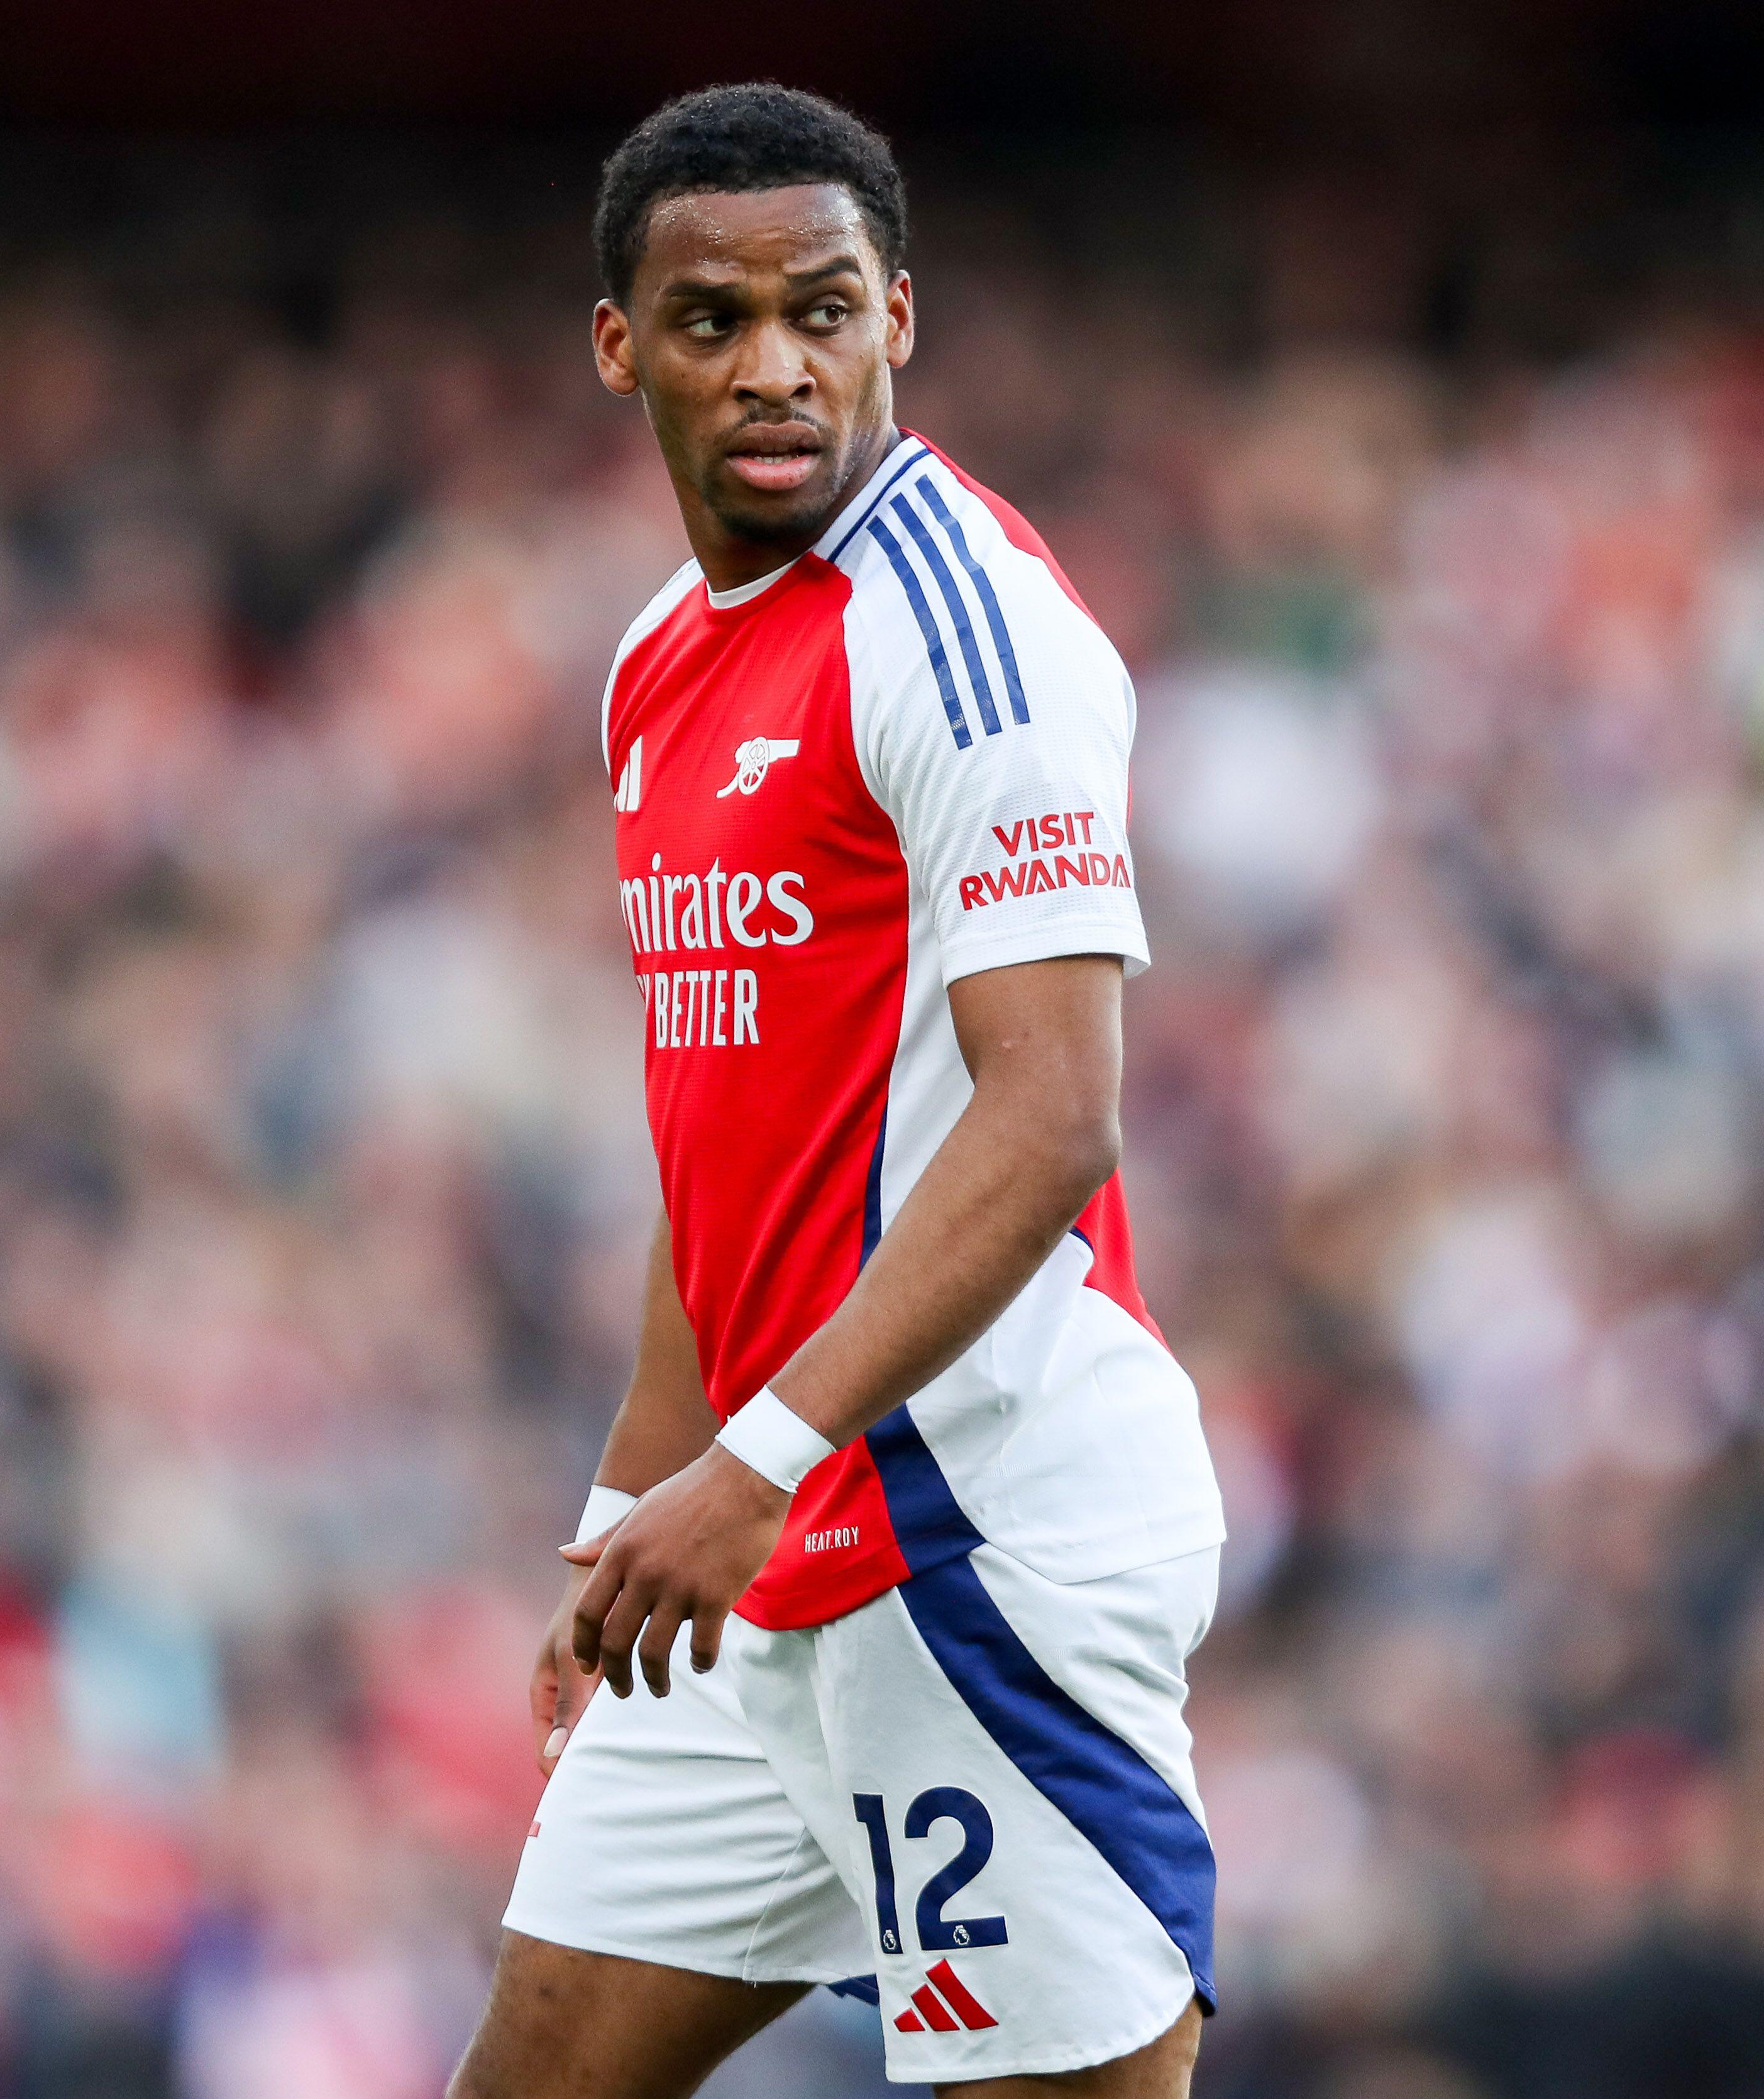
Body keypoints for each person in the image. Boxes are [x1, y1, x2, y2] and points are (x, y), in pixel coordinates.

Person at [449, 82, 1225, 2099]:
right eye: (713, 320)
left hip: (970, 1545)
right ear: (621, 346)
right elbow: (727, 1132)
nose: (777, 363)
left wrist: (751, 1466)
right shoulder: (659, 660)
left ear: (903, 316)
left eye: (825, 307)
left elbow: (1054, 1119)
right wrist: (639, 1500)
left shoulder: (968, 635)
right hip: (756, 1542)